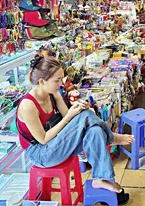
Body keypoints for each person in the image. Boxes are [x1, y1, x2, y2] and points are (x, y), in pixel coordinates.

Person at [16, 54, 134, 194]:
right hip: (41, 154)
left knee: (94, 131)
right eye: (57, 80)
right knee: (85, 117)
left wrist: (77, 108)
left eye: (62, 79)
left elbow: (70, 118)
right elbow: (43, 138)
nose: (61, 84)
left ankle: (100, 178)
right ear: (42, 81)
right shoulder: (28, 105)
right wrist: (72, 116)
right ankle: (112, 138)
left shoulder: (53, 93)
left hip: (57, 143)